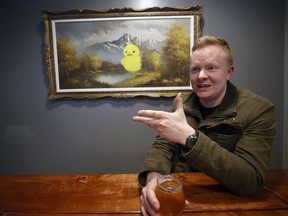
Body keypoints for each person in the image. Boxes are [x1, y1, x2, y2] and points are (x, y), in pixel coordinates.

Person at [132, 35, 276, 216]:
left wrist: (190, 138)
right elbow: (162, 146)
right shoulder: (181, 103)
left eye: (211, 68)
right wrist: (154, 181)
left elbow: (251, 181)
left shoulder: (259, 110)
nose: (201, 76)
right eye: (195, 69)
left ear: (229, 71)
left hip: (229, 204)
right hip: (179, 200)